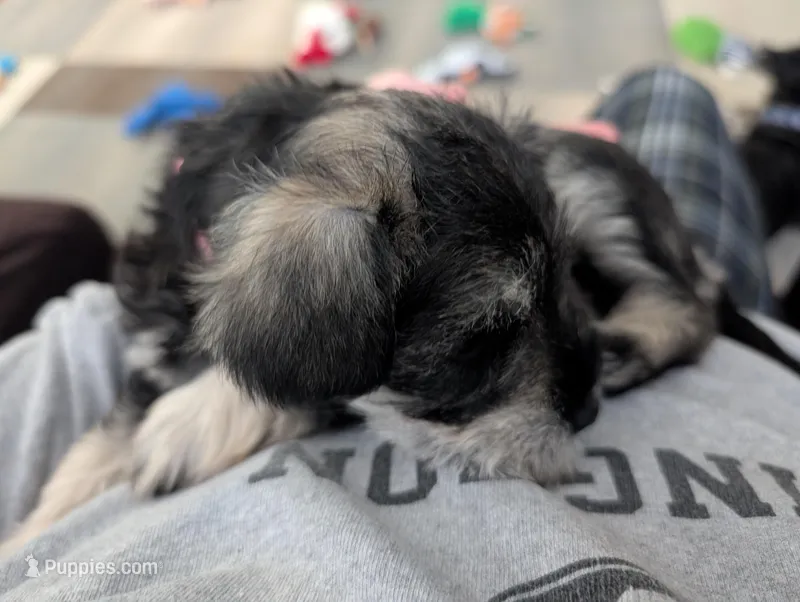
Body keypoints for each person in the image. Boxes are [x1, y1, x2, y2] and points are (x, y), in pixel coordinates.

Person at [1, 66, 799, 601]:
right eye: (480, 343)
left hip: (662, 270)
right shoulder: (300, 269)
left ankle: (679, 298)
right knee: (665, 90)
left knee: (634, 112)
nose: (584, 394)